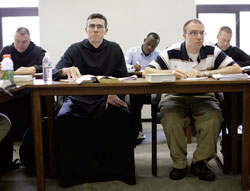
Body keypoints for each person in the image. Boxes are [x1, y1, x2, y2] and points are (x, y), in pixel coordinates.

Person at [143, 19, 242, 181]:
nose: (199, 37)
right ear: (184, 35)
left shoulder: (212, 50)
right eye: (194, 33)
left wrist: (206, 73)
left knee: (213, 117)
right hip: (175, 98)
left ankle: (200, 162)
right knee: (171, 118)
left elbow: (235, 68)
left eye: (202, 33)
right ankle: (180, 164)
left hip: (203, 97)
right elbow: (147, 71)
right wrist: (171, 73)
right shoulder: (171, 51)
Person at [53, 13, 138, 188]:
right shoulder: (75, 49)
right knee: (64, 118)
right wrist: (65, 70)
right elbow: (56, 70)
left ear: (106, 30)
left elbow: (124, 78)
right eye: (92, 26)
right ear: (86, 30)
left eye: (99, 27)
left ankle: (118, 172)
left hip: (108, 99)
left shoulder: (114, 48)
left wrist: (115, 93)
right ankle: (74, 174)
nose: (95, 30)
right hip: (78, 100)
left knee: (124, 117)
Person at [0, 27, 46, 140]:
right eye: (17, 41)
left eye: (24, 42)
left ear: (29, 40)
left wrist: (31, 69)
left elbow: (46, 67)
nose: (20, 45)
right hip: (9, 92)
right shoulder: (6, 51)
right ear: (13, 39)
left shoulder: (38, 51)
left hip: (30, 93)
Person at [125, 32, 160, 144]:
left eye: (153, 46)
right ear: (144, 40)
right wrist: (132, 67)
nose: (149, 47)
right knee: (135, 101)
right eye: (148, 44)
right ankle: (137, 131)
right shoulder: (132, 51)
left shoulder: (158, 55)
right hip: (137, 87)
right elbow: (123, 65)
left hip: (152, 88)